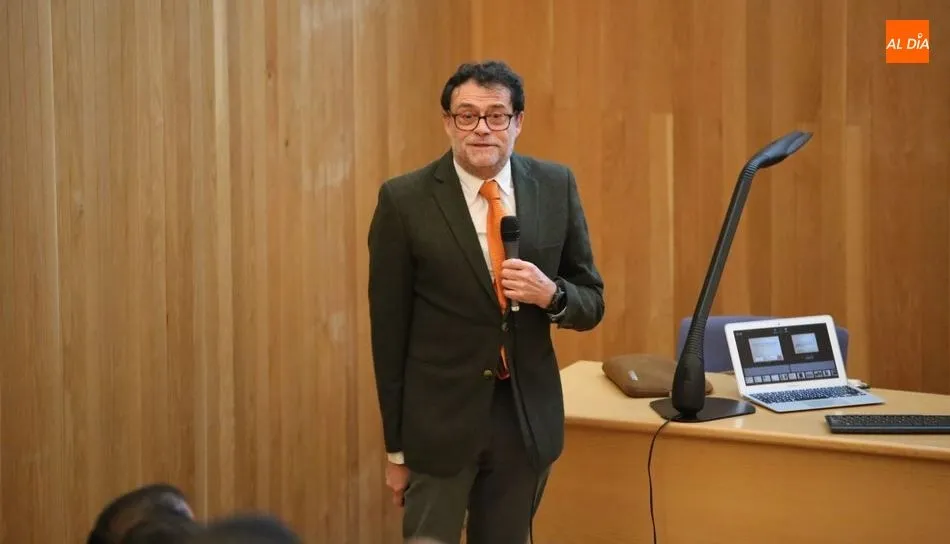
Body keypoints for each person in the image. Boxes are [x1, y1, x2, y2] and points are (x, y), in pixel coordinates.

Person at [367, 60, 605, 544]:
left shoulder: (555, 186)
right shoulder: (404, 200)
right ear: (447, 122)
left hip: (523, 421)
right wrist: (396, 451)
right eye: (466, 115)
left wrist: (551, 294)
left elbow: (591, 299)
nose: (481, 129)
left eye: (496, 115)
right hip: (439, 426)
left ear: (518, 122)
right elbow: (388, 335)